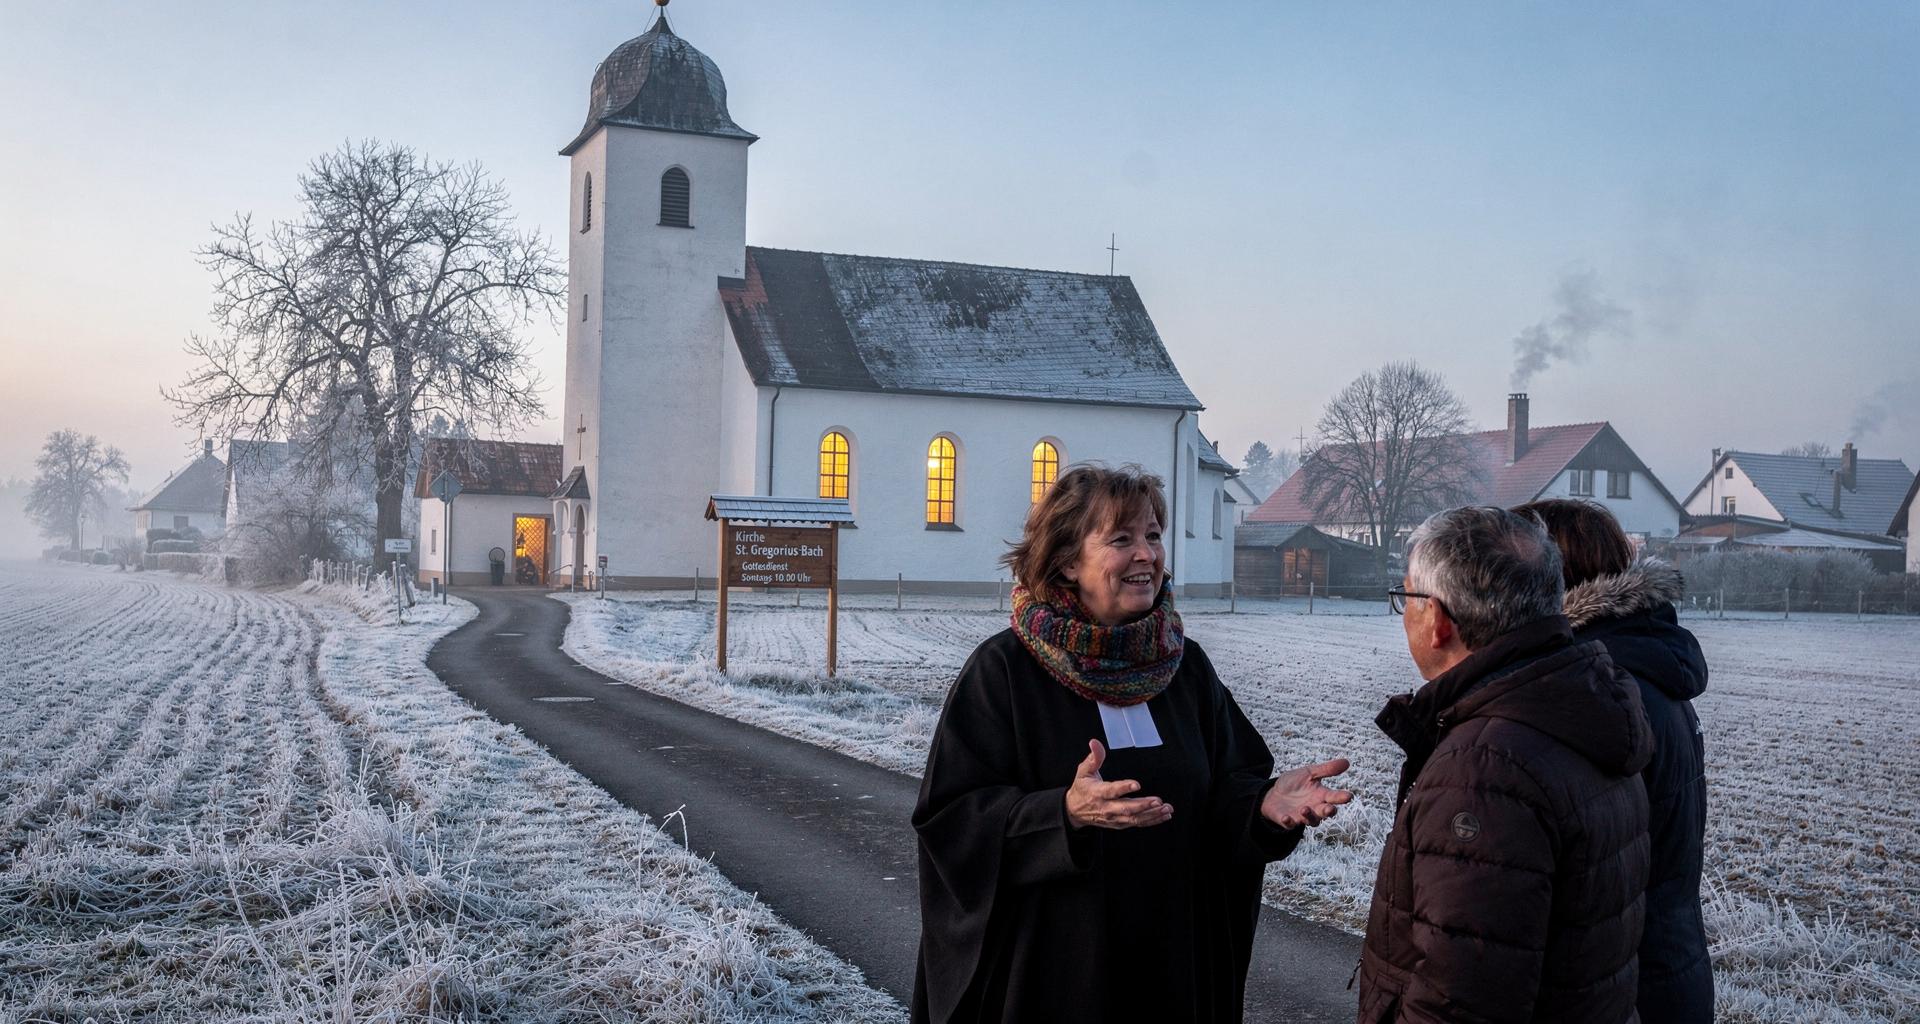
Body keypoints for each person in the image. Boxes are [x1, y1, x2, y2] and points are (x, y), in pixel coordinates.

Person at [911, 464, 1352, 1024]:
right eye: (1121, 539)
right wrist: (1061, 815)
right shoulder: (1004, 673)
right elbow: (951, 821)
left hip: (1174, 969)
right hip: (1054, 978)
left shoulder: (1186, 670)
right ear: (1068, 560)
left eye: (1152, 536)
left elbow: (1220, 794)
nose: (1146, 554)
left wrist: (1261, 808)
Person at [1357, 506, 1652, 1023]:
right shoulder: (1583, 711)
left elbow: (1460, 1001)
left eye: (1405, 598)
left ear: (1440, 621)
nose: (1402, 613)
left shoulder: (1485, 771)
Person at [1514, 498, 1712, 1024]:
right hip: (1666, 969)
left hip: (1622, 988)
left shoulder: (1599, 687)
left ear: (1551, 574)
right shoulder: (1640, 663)